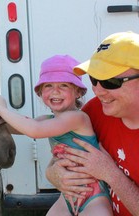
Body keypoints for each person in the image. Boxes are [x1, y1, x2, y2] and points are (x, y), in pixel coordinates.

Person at [0, 55, 112, 216]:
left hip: (94, 196)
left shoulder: (77, 118)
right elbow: (20, 126)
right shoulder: (47, 120)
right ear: (40, 92)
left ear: (78, 92)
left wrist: (2, 109)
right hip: (67, 197)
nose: (56, 91)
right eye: (48, 85)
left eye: (64, 85)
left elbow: (34, 130)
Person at [46, 31, 139, 216]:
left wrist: (110, 173)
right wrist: (54, 174)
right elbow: (66, 153)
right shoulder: (96, 110)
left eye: (110, 82)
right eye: (94, 79)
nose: (98, 91)